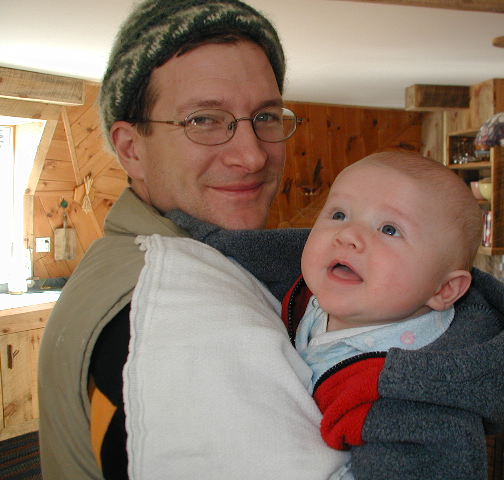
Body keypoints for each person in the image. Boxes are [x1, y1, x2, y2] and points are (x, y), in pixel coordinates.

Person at [38, 1, 346, 478]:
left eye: (265, 116)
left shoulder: (129, 262)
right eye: (204, 119)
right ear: (131, 148)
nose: (252, 156)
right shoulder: (181, 312)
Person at [171, 151, 504, 479]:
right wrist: (180, 226)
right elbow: (245, 249)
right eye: (339, 214)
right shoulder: (312, 282)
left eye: (389, 229)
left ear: (443, 289)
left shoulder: (416, 400)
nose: (348, 235)